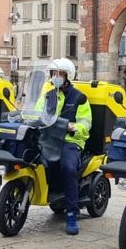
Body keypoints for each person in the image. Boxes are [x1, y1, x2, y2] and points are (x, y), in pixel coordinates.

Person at [39, 58, 92, 235]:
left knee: (68, 168)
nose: (56, 77)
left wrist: (74, 127)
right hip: (50, 138)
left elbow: (86, 123)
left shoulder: (79, 97)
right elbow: (38, 113)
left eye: (59, 74)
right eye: (53, 74)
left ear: (68, 76)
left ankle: (71, 213)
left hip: (70, 141)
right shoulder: (48, 95)